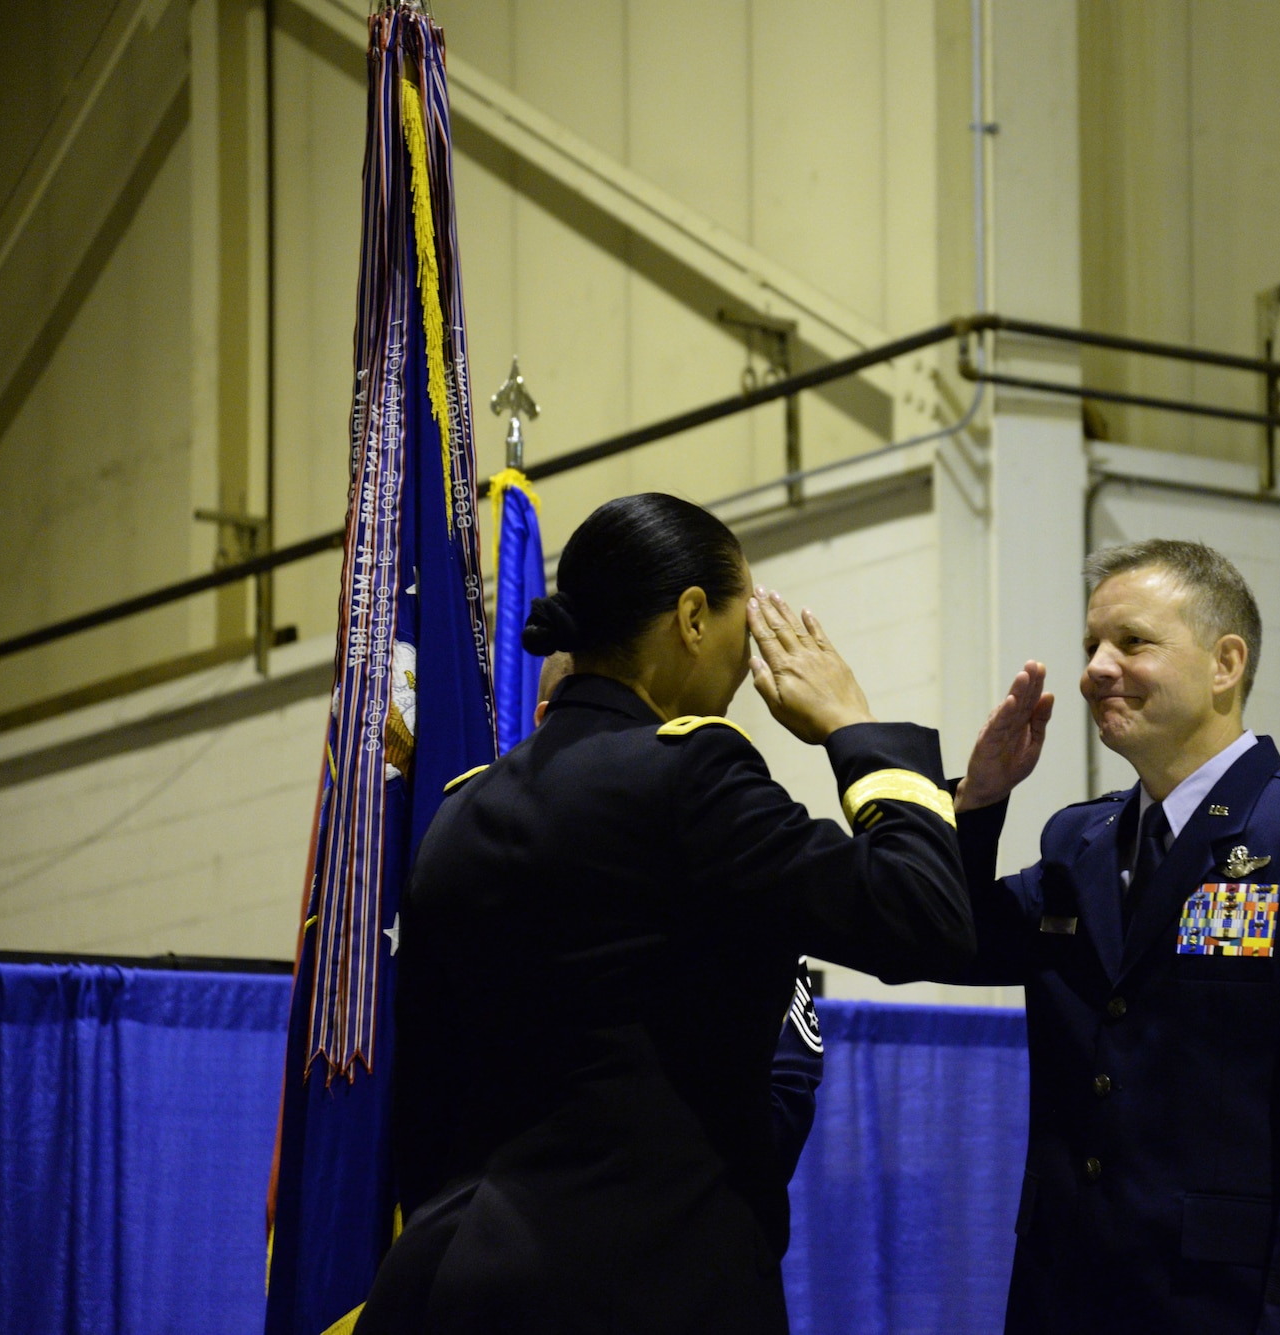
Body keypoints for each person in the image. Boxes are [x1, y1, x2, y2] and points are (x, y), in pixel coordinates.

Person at [357, 493, 973, 1335]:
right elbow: (920, 916)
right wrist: (855, 726)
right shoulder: (688, 775)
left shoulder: (462, 808)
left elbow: (423, 1102)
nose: (749, 657)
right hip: (647, 1285)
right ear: (690, 616)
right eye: (741, 622)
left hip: (449, 1284)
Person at [944, 538, 1280, 1334]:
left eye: (1132, 642)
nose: (1096, 668)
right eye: (1091, 646)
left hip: (1227, 1308)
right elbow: (946, 942)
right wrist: (976, 808)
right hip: (1066, 1298)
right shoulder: (1079, 840)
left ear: (1225, 662)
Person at [534, 651, 825, 1183]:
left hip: (697, 1219)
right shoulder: (494, 866)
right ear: (546, 720)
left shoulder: (736, 870)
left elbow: (786, 1089)